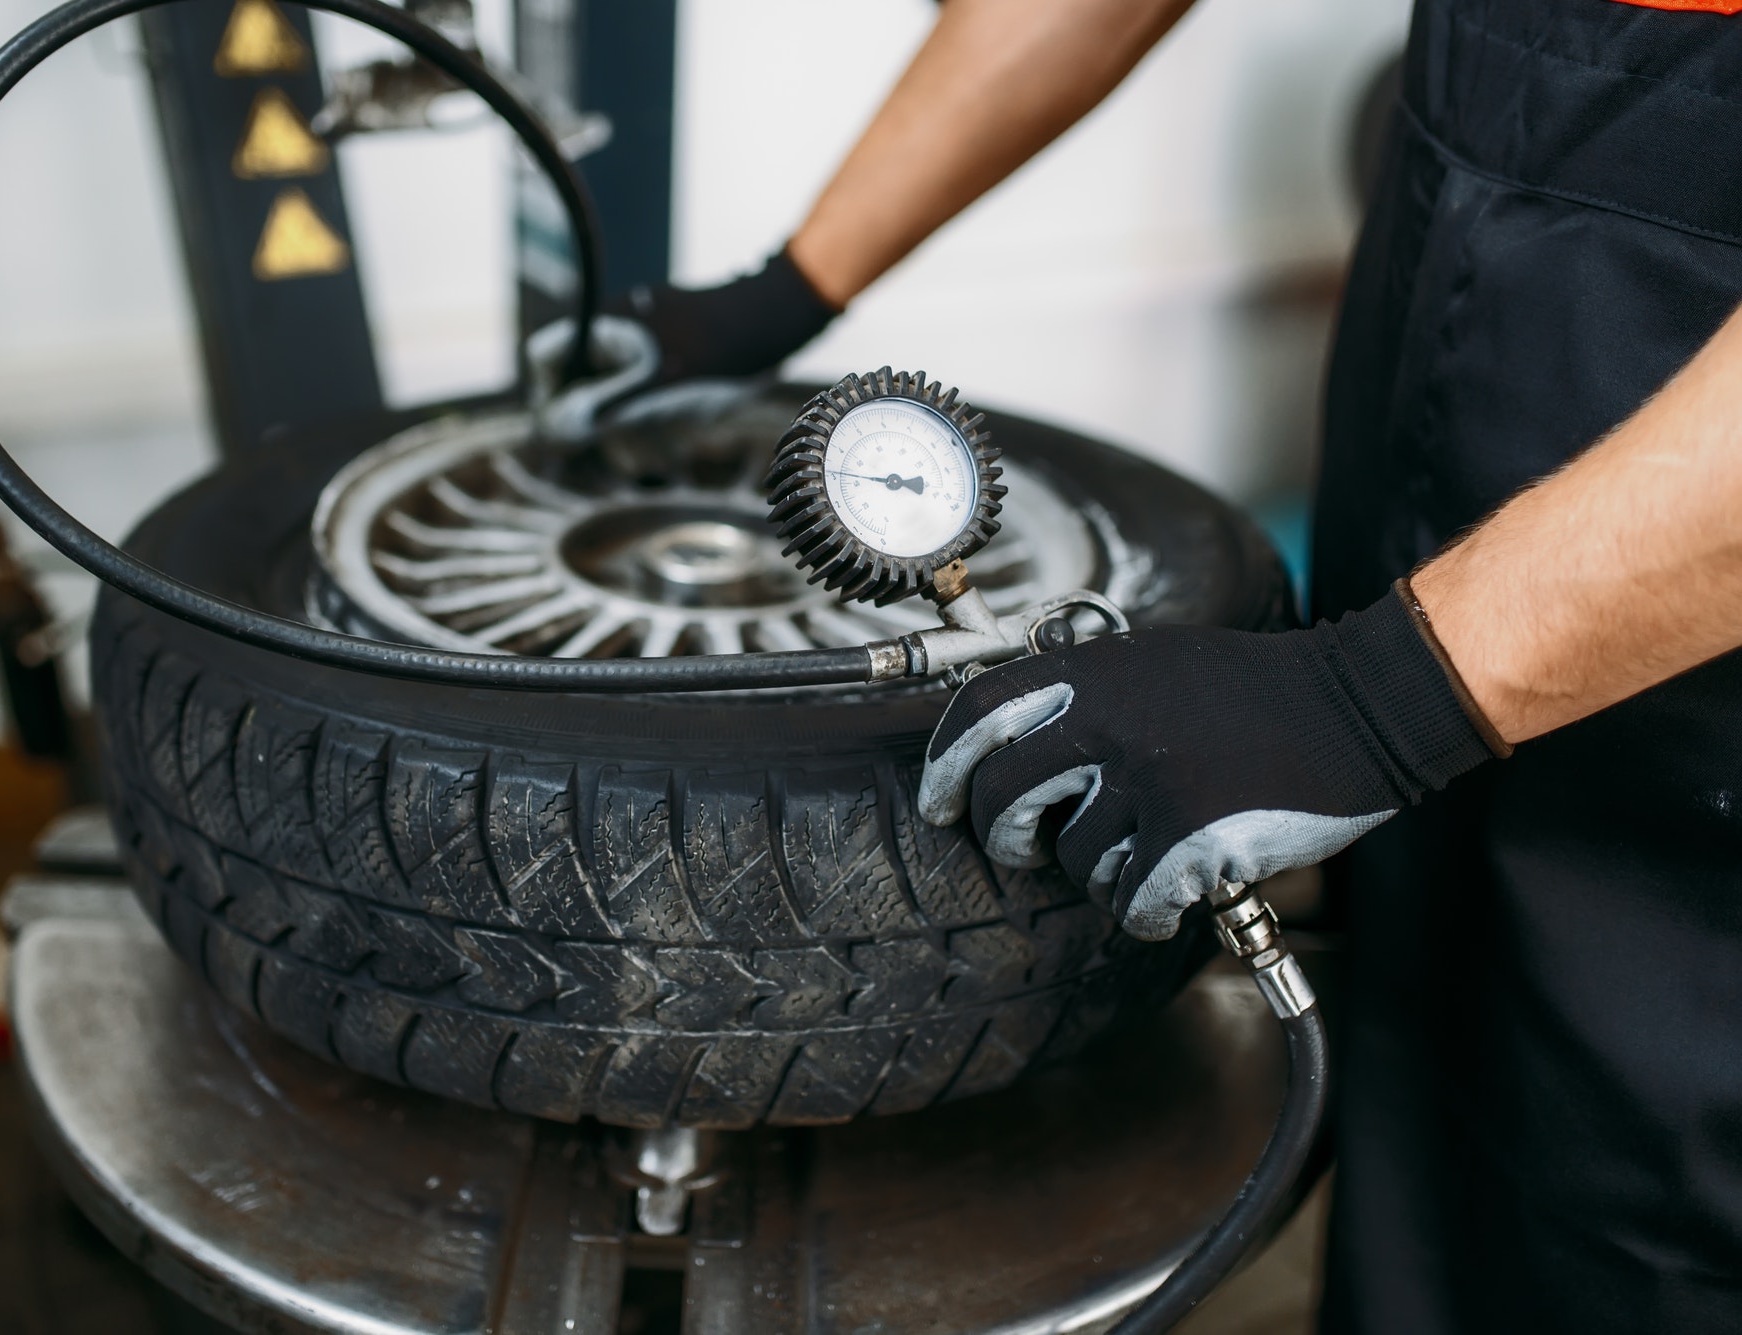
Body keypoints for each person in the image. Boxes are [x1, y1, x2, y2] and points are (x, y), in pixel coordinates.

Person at [614, 0, 1742, 1330]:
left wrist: (1378, 697)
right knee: (1428, 1095)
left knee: (1637, 1189)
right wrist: (789, 283)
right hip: (1471, 259)